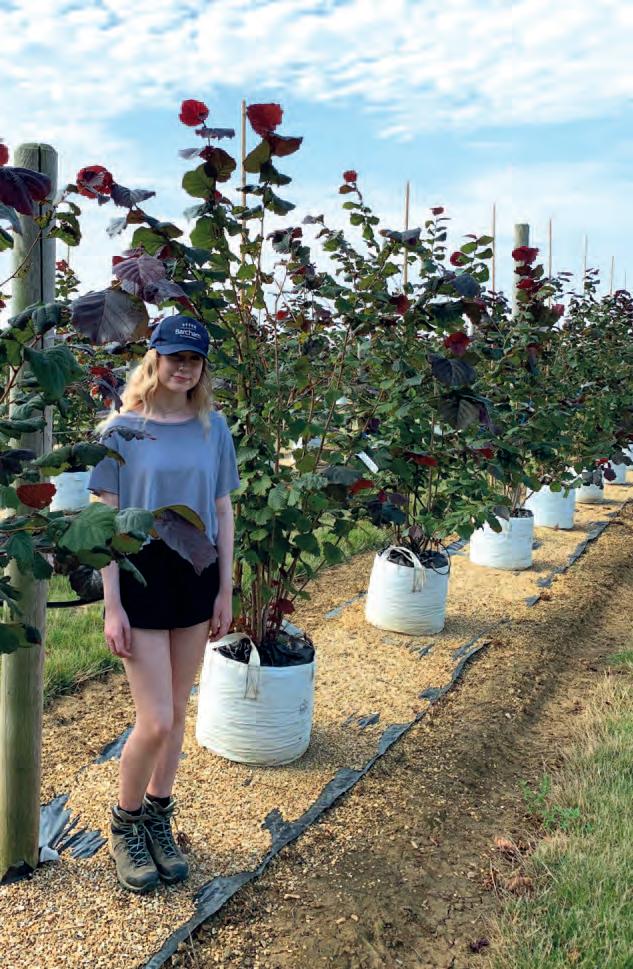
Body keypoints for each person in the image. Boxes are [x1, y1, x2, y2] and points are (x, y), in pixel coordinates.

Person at [88, 314, 241, 894]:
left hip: (196, 570)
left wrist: (224, 588)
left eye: (194, 359)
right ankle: (124, 825)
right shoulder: (120, 430)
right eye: (175, 356)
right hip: (140, 571)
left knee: (176, 713)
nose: (184, 367)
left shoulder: (213, 428)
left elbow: (223, 511)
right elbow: (104, 520)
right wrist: (112, 604)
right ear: (154, 358)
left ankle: (158, 816)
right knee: (153, 719)